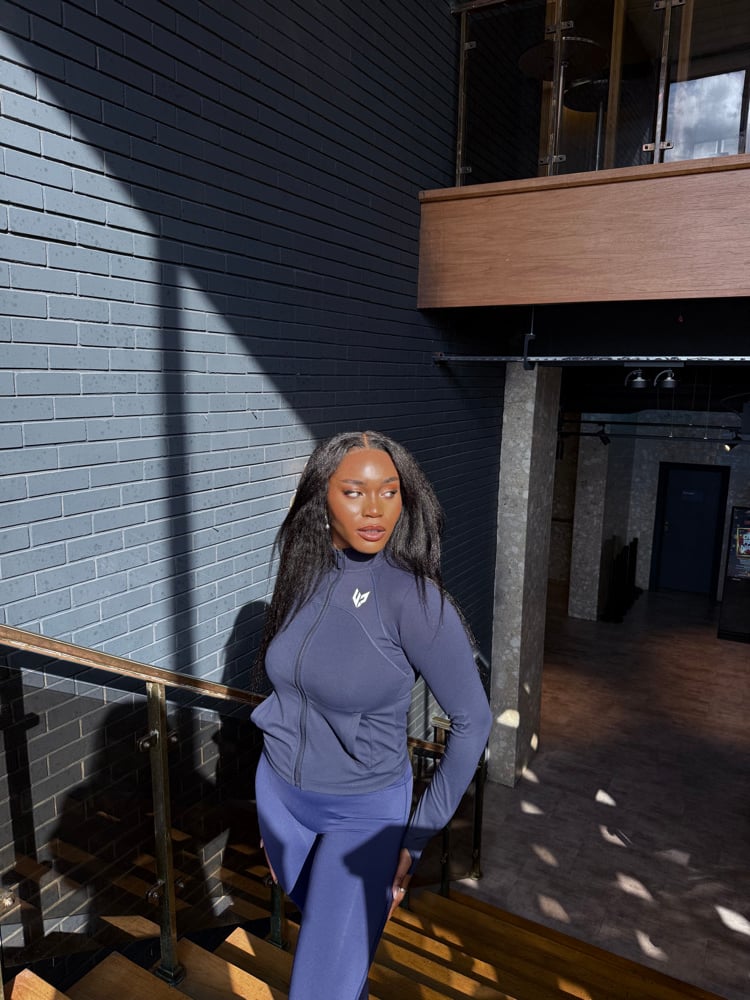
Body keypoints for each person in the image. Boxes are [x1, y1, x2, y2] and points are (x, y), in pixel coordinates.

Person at [250, 430, 492, 999]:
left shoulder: (416, 602)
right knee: (339, 974)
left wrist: (416, 836)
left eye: (389, 491)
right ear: (322, 498)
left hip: (363, 819)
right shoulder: (302, 571)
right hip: (281, 804)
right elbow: (289, 689)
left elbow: (473, 722)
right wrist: (270, 811)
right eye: (354, 491)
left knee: (319, 988)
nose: (375, 508)